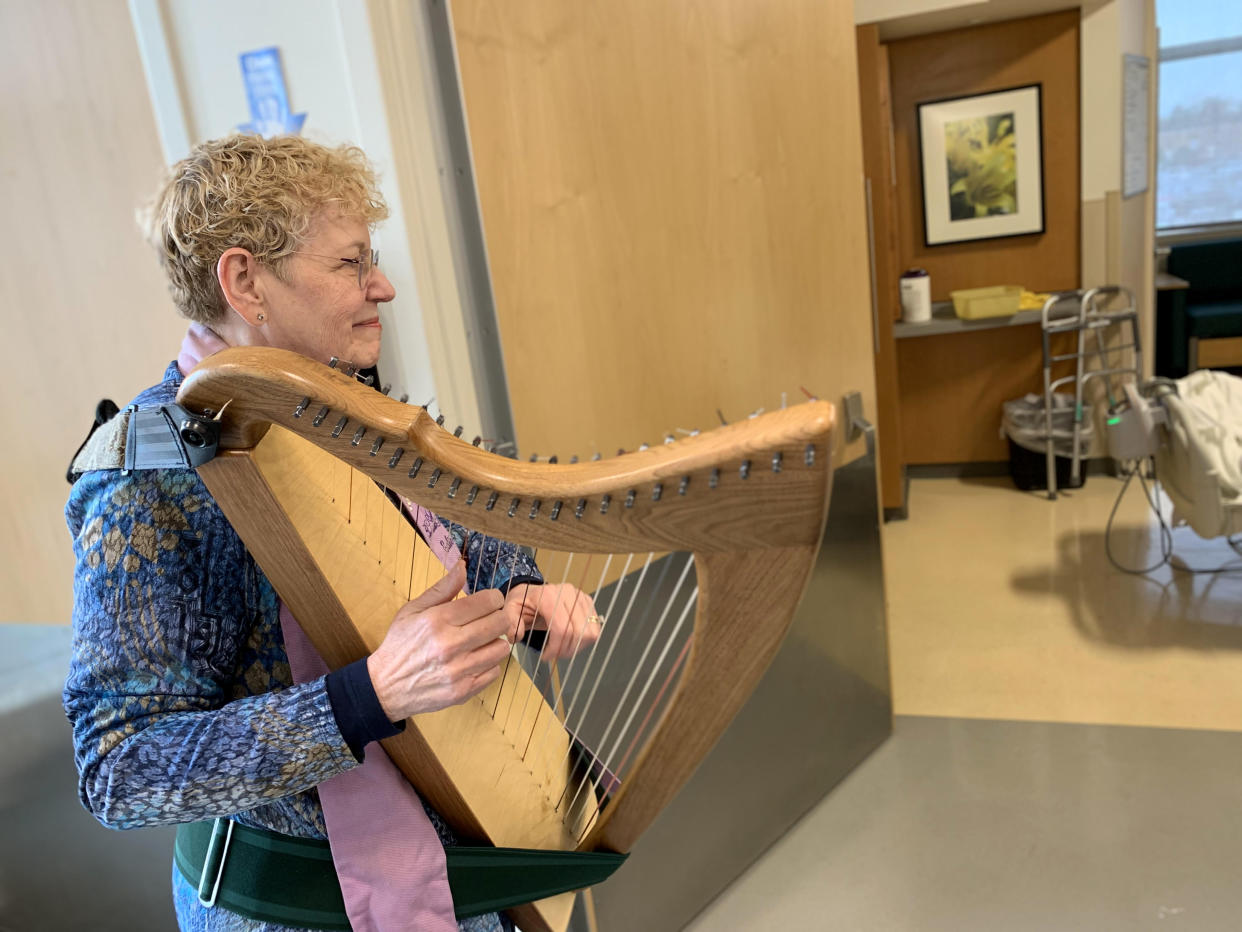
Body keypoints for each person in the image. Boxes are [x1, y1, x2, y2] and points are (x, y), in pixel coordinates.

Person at [64, 133, 601, 932]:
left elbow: (441, 524)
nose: (381, 286)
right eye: (350, 263)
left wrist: (519, 588)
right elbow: (119, 769)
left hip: (459, 871)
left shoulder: (340, 401)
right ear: (246, 280)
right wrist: (365, 698)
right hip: (300, 908)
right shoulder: (148, 480)